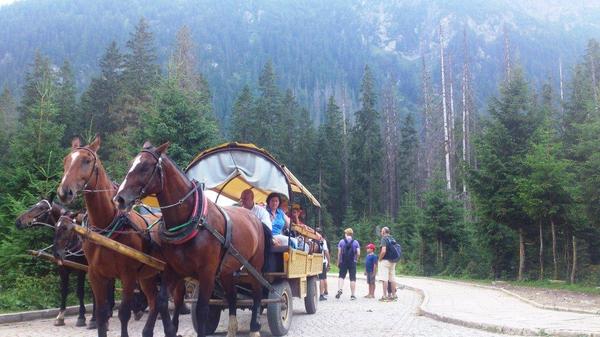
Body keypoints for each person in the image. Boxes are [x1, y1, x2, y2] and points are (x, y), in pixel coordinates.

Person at [335, 228, 360, 300]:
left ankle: (340, 289)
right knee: (352, 278)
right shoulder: (356, 242)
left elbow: (339, 253)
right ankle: (352, 295)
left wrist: (338, 261)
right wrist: (356, 259)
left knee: (341, 276)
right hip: (352, 261)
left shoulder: (341, 241)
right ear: (352, 234)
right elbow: (358, 253)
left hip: (343, 261)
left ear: (346, 234)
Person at [378, 226, 398, 301]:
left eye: (381, 231)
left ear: (383, 232)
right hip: (393, 261)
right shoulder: (393, 239)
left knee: (384, 279)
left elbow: (383, 251)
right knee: (392, 279)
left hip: (385, 261)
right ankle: (394, 295)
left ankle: (384, 296)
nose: (380, 232)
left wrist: (379, 259)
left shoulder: (384, 239)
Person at [316, 227, 330, 301]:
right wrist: (329, 262)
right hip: (322, 261)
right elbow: (326, 252)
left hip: (314, 261)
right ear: (321, 233)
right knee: (322, 278)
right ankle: (321, 295)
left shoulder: (311, 239)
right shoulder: (322, 241)